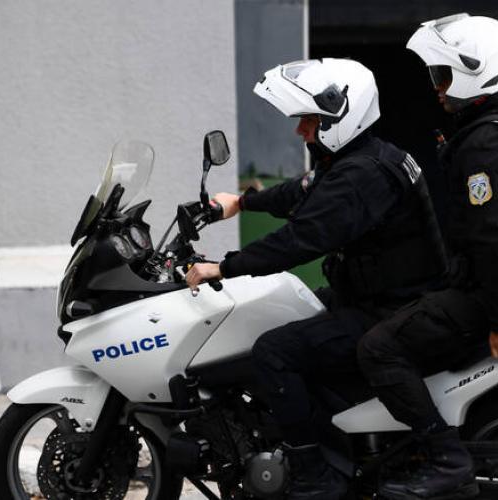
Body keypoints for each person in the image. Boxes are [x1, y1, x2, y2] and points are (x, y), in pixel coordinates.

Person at [185, 58, 448, 499]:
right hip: (380, 297)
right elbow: (303, 190)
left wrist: (224, 267)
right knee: (288, 316)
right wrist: (241, 203)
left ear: (337, 118)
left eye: (308, 120)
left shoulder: (361, 175)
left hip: (389, 310)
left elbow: (301, 239)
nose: (300, 130)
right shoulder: (362, 158)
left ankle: (313, 475)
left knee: (273, 352)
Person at [356, 13, 498, 500]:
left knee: (377, 347)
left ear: (479, 73)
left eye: (444, 76)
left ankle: (444, 457)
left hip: (494, 293)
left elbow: (491, 240)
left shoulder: (483, 143)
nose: (437, 88)